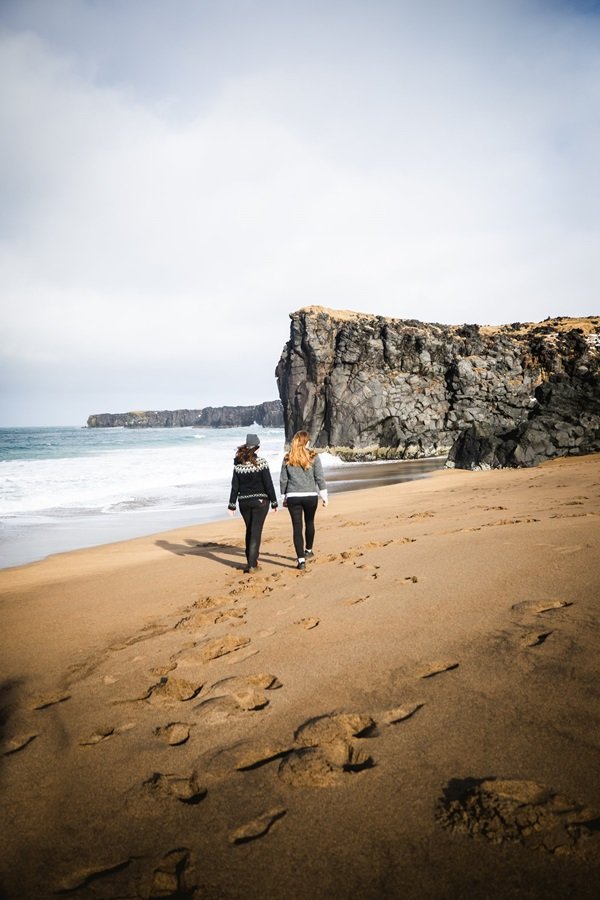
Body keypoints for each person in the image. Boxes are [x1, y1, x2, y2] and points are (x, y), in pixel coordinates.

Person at [228, 433, 278, 573]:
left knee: (249, 530)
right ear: (257, 447)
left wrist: (231, 505)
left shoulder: (238, 464)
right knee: (256, 532)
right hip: (260, 502)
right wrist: (274, 502)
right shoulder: (261, 463)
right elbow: (268, 484)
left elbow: (234, 486)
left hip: (243, 502)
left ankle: (251, 561)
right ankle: (252, 564)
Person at [280, 430, 328, 570]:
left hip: (293, 496)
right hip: (310, 496)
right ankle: (308, 550)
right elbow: (319, 477)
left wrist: (283, 497)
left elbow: (283, 480)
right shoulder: (313, 455)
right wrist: (324, 497)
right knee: (310, 522)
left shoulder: (288, 457)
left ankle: (301, 561)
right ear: (306, 441)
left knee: (297, 527)